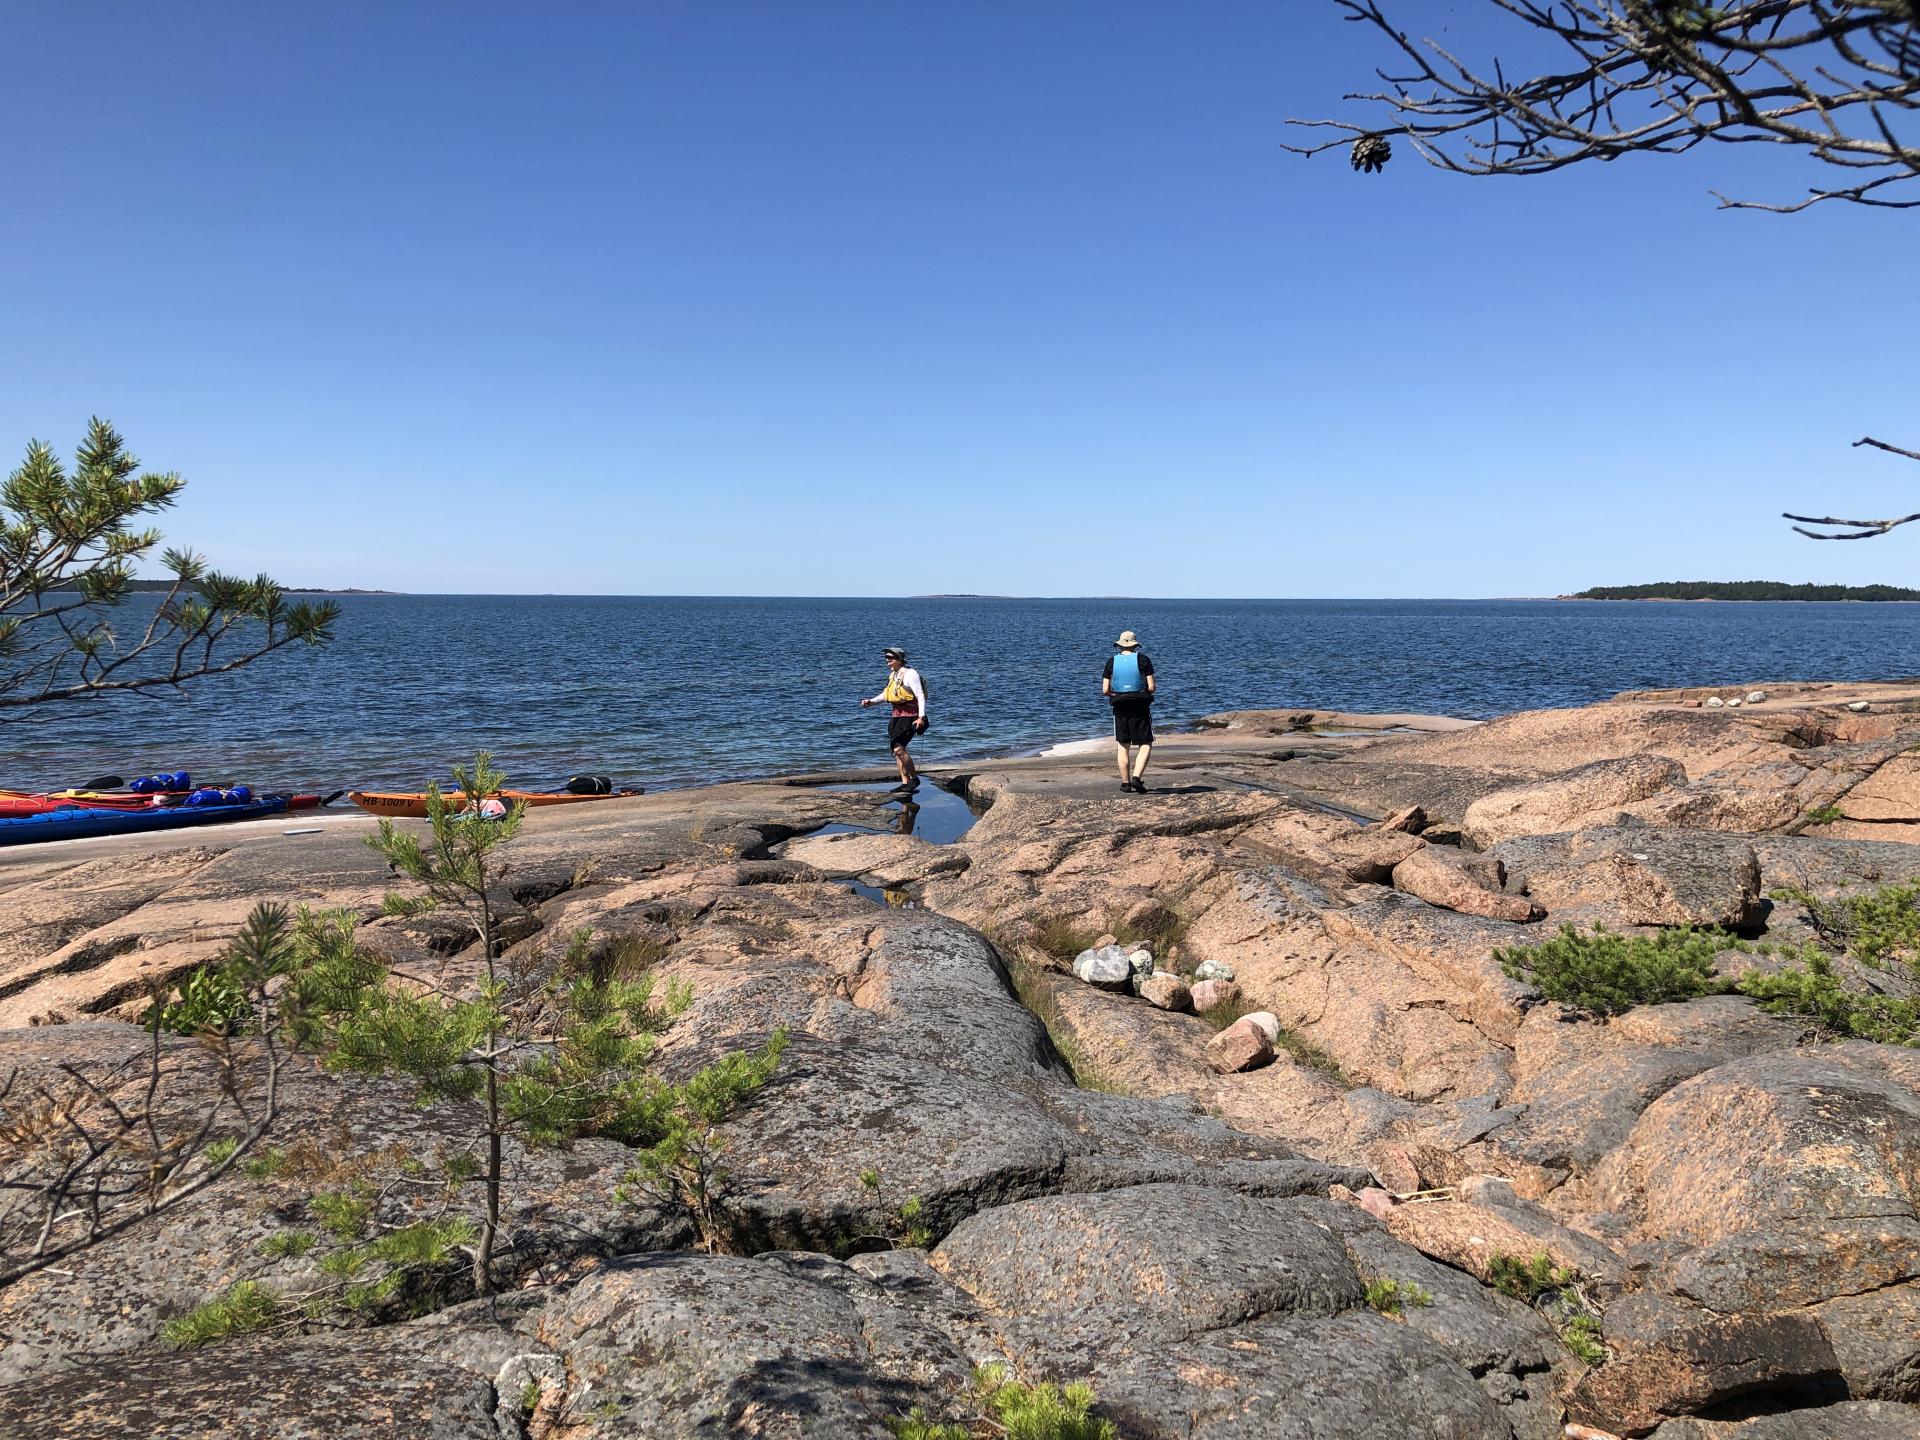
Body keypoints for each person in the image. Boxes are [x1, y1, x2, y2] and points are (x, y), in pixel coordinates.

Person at [860, 645, 928, 794]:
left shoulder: (911, 674)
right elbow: (886, 695)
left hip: (911, 716)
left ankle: (914, 779)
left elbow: (920, 696)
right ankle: (905, 783)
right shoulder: (893, 675)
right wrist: (871, 702)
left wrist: (921, 717)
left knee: (898, 749)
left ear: (899, 660)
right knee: (897, 749)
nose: (887, 661)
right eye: (886, 658)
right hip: (896, 716)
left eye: (890, 659)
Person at [1101, 629, 1156, 792]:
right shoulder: (1144, 660)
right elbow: (1151, 687)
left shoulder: (1111, 661)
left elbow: (1105, 690)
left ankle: (1125, 784)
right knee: (1145, 743)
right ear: (1135, 645)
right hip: (1140, 706)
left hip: (1120, 705)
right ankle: (1136, 778)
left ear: (1120, 645)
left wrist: (1117, 694)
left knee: (1123, 745)